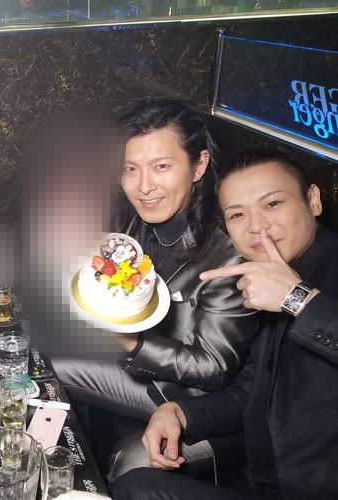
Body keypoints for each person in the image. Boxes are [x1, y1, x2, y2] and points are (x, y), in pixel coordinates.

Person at [112, 148, 338, 500]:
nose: (257, 226)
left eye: (273, 204)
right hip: (269, 484)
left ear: (313, 200)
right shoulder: (265, 280)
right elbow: (252, 390)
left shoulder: (304, 282)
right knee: (134, 485)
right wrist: (180, 413)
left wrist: (298, 299)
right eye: (237, 214)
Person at [49, 97, 258, 477]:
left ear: (199, 165)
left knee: (130, 465)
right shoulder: (133, 221)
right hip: (133, 370)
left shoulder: (228, 254)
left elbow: (214, 369)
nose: (144, 186)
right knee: (43, 367)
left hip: (191, 399)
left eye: (161, 166)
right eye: (130, 169)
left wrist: (129, 342)